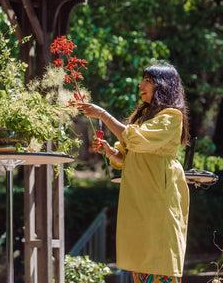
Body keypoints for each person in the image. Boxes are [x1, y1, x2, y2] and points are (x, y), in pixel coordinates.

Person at [77, 63, 190, 283]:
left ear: (163, 86)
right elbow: (126, 155)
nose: (141, 85)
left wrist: (103, 115)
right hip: (140, 199)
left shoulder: (172, 116)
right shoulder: (142, 117)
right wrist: (110, 151)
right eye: (143, 80)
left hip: (159, 197)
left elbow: (136, 139)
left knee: (161, 255)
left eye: (147, 80)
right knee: (142, 258)